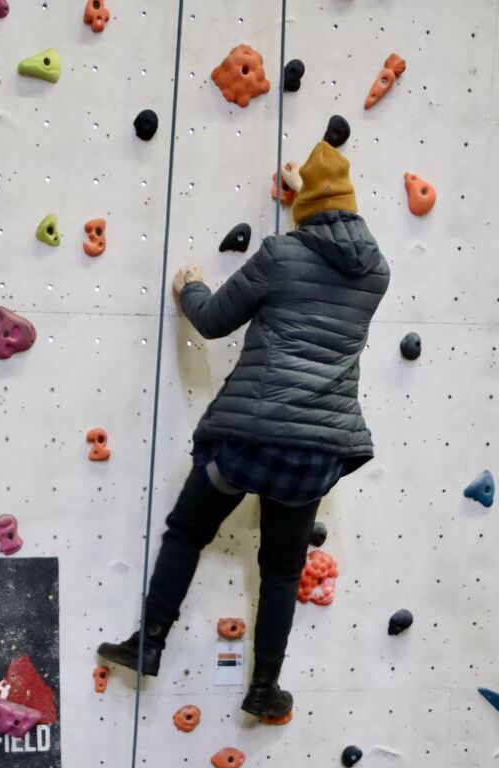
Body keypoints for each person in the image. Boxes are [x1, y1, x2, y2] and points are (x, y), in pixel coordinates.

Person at [98, 117, 390, 722]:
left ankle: (148, 645)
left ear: (303, 208)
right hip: (316, 454)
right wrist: (305, 194)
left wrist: (189, 288)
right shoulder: (376, 274)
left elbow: (211, 321)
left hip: (249, 442)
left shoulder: (282, 253)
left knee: (187, 531)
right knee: (281, 571)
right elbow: (329, 245)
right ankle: (264, 688)